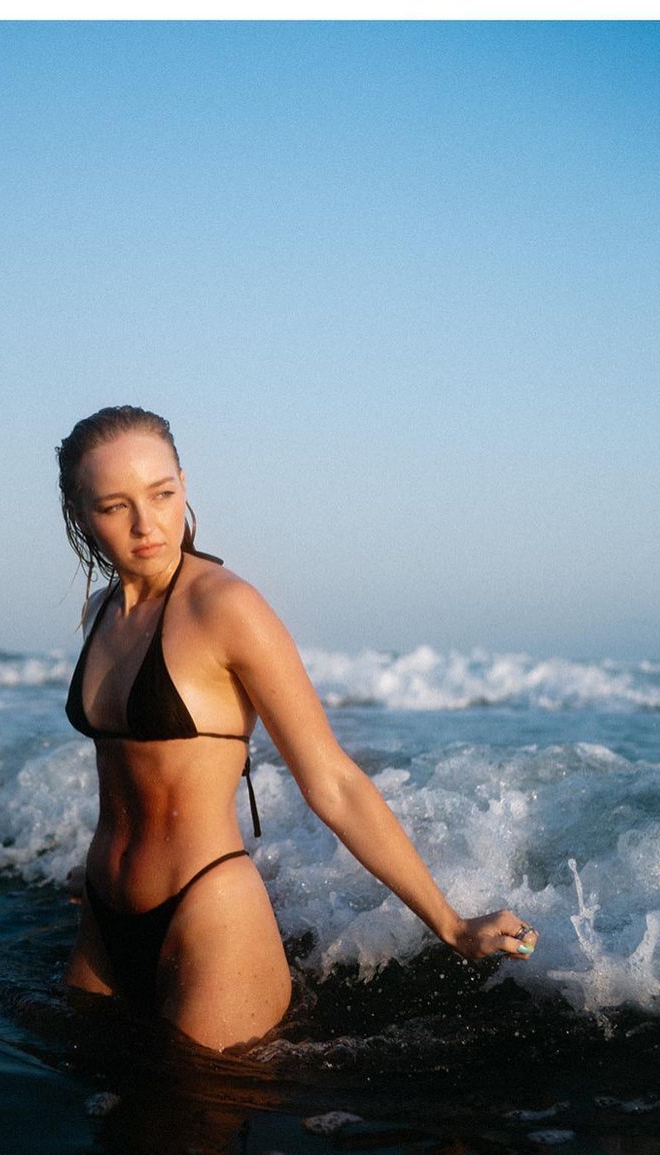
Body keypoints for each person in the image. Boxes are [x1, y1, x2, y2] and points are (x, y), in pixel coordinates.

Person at [57, 406, 537, 1052]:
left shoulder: (225, 608)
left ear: (184, 485)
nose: (147, 524)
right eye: (116, 506)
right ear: (80, 513)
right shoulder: (100, 612)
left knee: (196, 1115)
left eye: (162, 494)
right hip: (102, 916)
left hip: (206, 913)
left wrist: (450, 925)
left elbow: (332, 781)